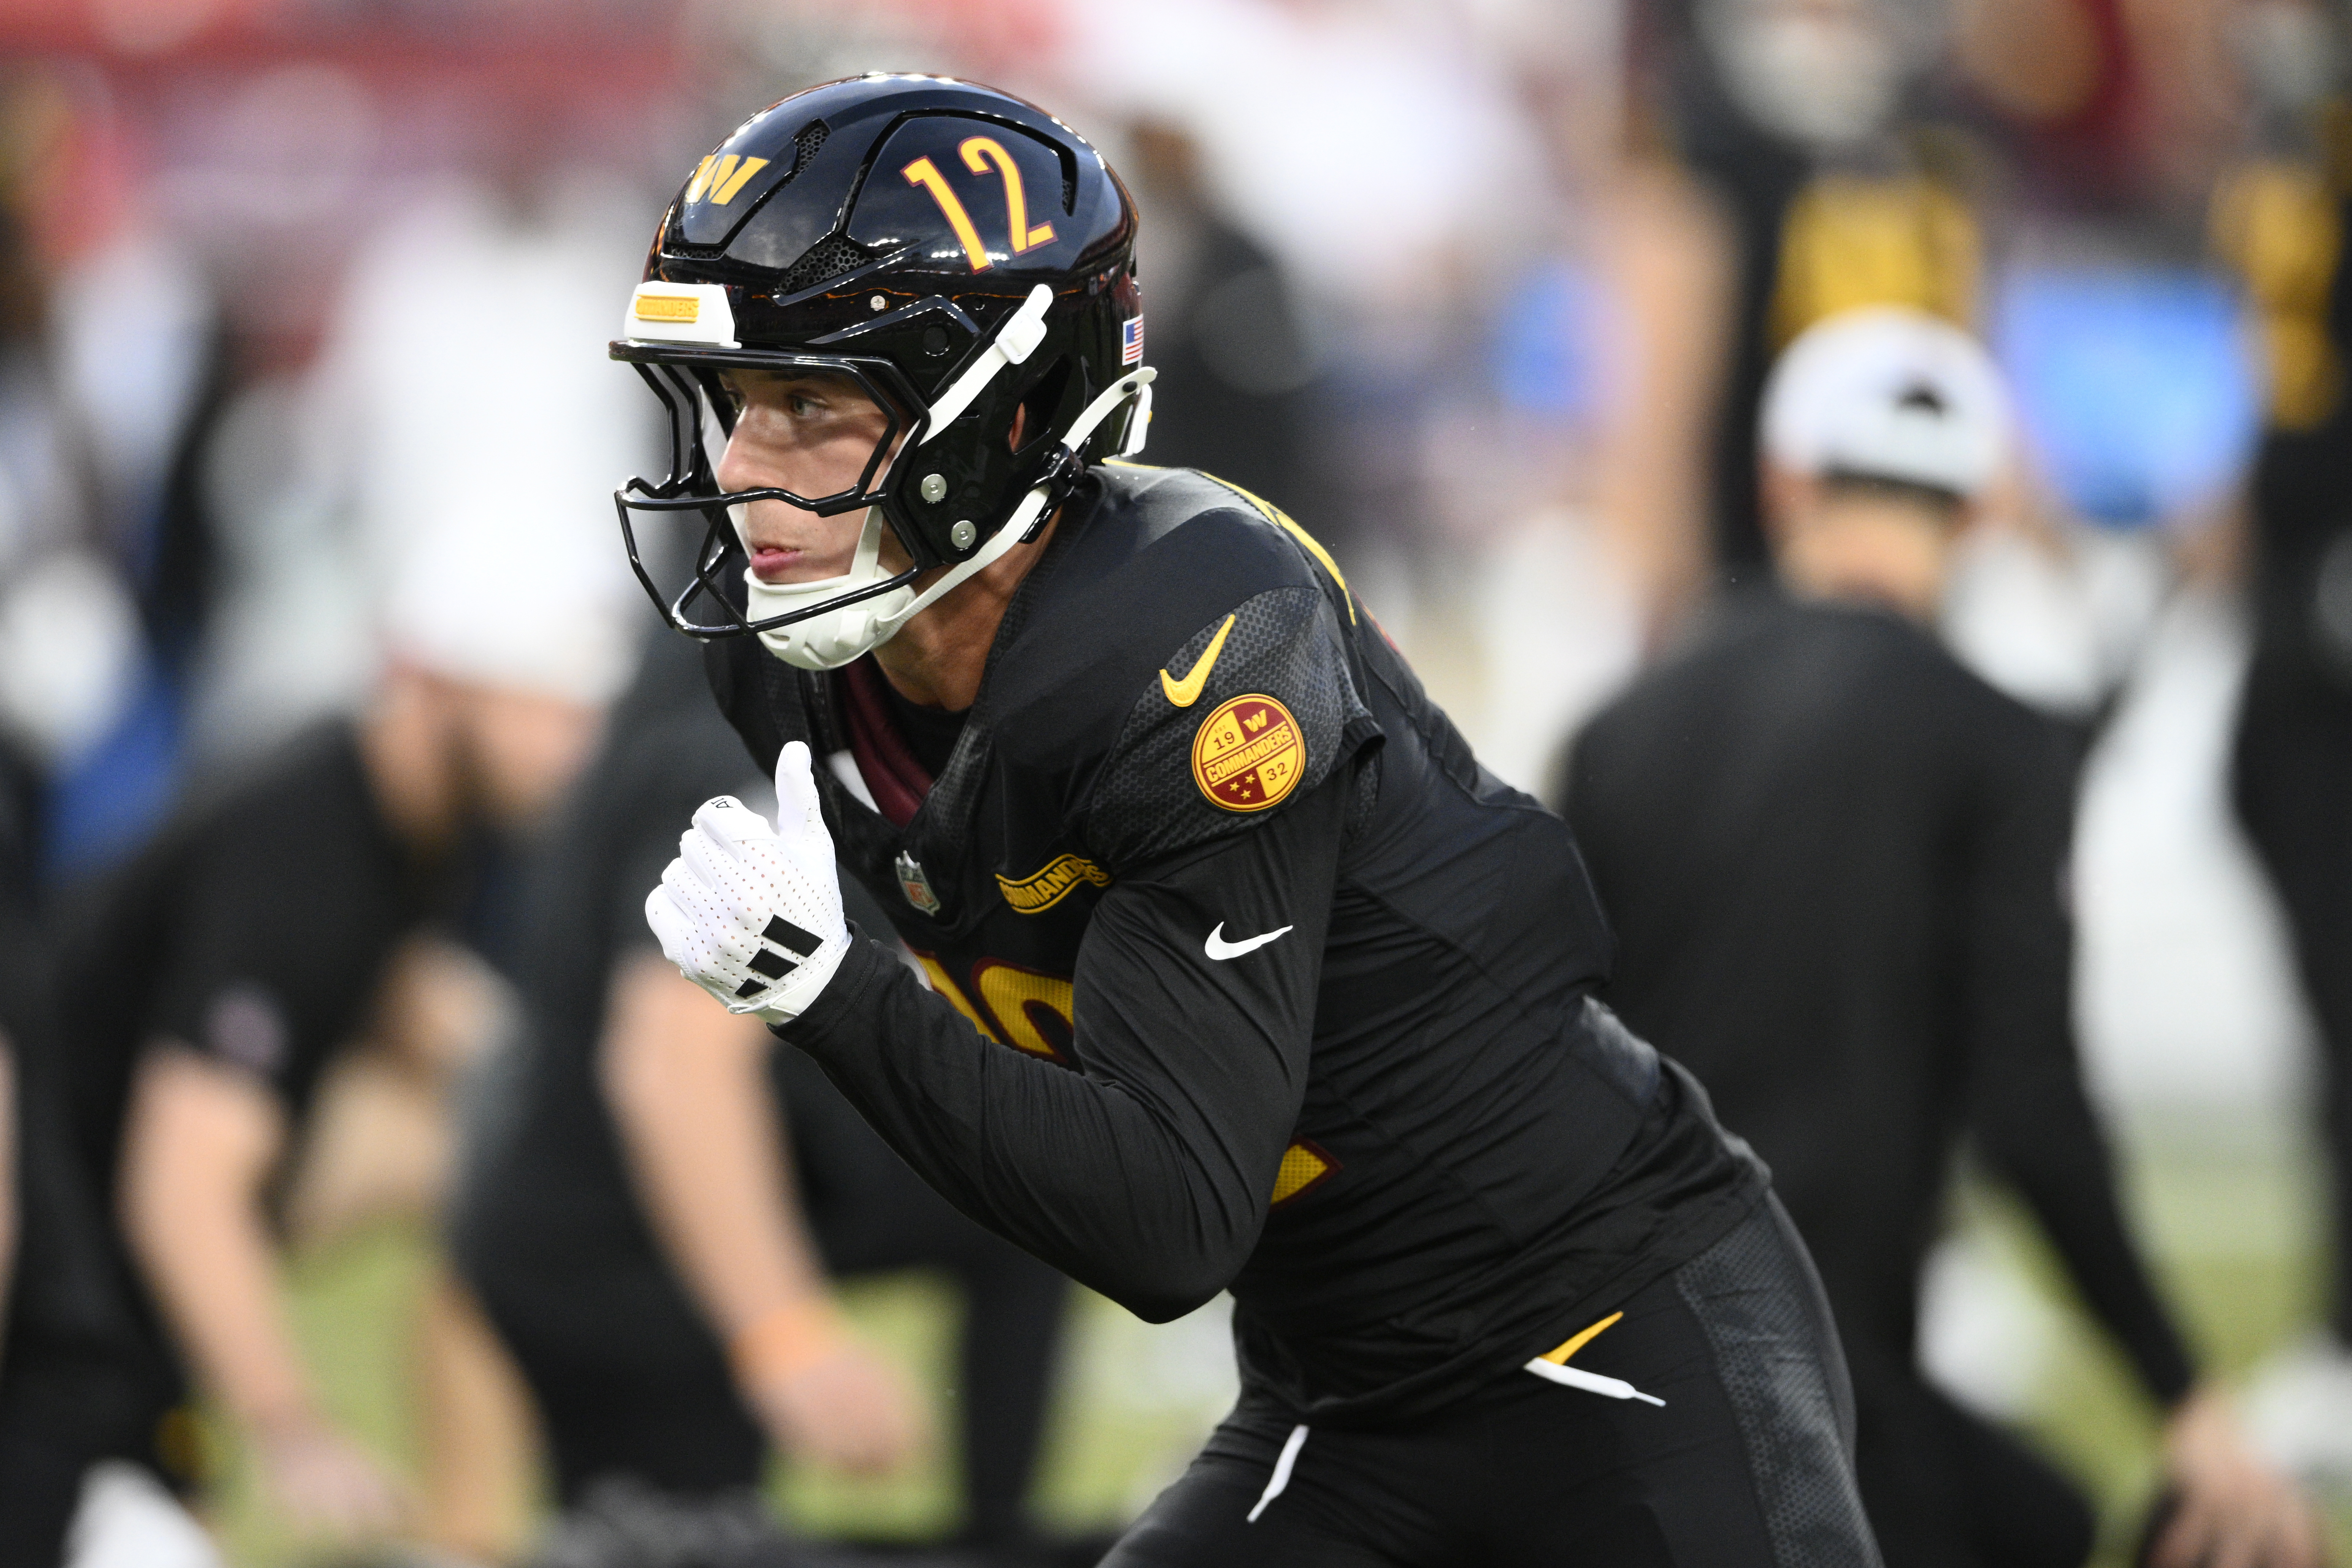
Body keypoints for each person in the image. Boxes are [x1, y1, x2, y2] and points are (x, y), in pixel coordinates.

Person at [605, 73, 1876, 1566]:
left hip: (1611, 1325)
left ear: (1001, 407)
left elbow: (1166, 1221)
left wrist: (832, 990)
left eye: (811, 404)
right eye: (734, 405)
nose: (744, 468)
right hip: (1339, 1390)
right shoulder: (794, 663)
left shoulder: (1193, 631)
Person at [1558, 306, 2322, 1568]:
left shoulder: (1618, 728)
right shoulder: (1991, 742)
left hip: (1597, 1374)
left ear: (1781, 480)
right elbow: (2029, 1106)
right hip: (1820, 1391)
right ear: (1975, 510)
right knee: (2100, 1527)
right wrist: (2185, 1401)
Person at [451, 627, 1070, 1559]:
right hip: (615, 1243)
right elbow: (670, 1068)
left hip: (572, 1190)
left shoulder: (739, 661)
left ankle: (998, 1533)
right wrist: (785, 1336)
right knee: (681, 1541)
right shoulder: (755, 734)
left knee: (1036, 1181)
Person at [48, 611, 617, 1548]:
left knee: (503, 1147)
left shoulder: (399, 806)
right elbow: (180, 1190)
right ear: (441, 683)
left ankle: (459, 1535)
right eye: (553, 710)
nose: (578, 747)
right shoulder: (300, 848)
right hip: (68, 1293)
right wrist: (292, 1426)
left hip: (104, 1246)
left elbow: (406, 995)